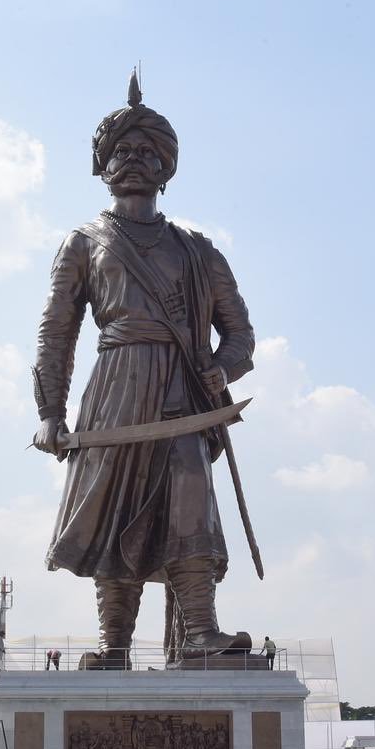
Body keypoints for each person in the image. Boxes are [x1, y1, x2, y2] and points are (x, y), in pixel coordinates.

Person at [33, 75, 256, 671]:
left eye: (147, 153)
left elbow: (242, 337)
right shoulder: (83, 243)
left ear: (166, 168)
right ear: (103, 167)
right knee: (114, 508)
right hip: (114, 397)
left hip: (184, 393)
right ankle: (114, 647)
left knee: (188, 502)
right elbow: (57, 332)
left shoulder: (198, 250)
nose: (133, 162)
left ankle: (202, 633)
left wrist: (218, 367)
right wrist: (50, 413)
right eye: (121, 152)